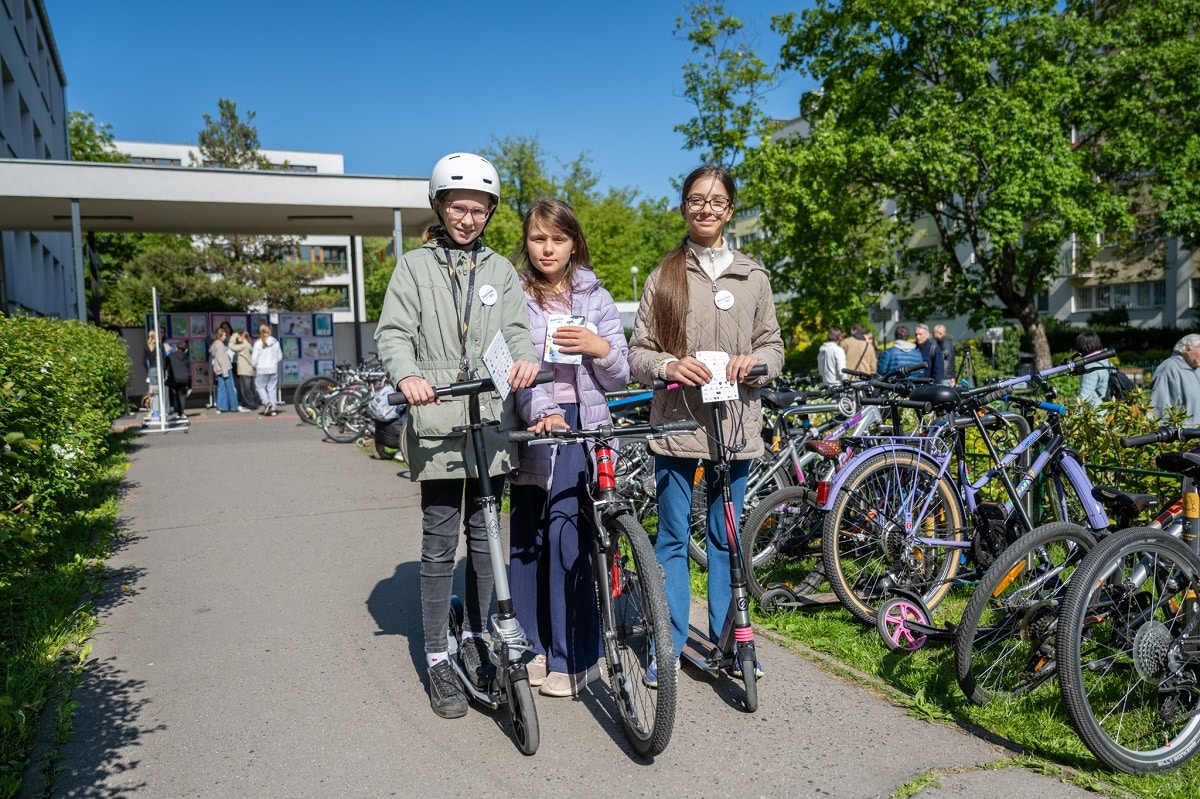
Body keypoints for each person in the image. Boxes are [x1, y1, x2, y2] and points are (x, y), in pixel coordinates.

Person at [374, 152, 540, 719]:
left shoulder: (500, 272)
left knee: (486, 542)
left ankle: (475, 639)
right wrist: (408, 375)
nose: (468, 219)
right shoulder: (414, 268)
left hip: (490, 422)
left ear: (491, 212)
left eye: (479, 210)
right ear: (440, 207)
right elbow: (394, 332)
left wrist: (525, 362)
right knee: (440, 541)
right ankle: (439, 656)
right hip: (438, 419)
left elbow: (518, 332)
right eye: (458, 207)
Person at [628, 165, 784, 686]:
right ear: (683, 207)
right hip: (677, 422)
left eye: (716, 201)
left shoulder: (753, 277)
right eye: (697, 200)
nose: (706, 209)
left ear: (730, 210)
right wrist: (668, 367)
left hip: (734, 424)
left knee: (725, 539)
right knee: (672, 537)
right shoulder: (663, 276)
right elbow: (638, 353)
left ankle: (731, 642)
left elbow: (774, 347)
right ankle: (666, 645)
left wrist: (753, 362)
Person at [508, 198, 629, 698]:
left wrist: (599, 349)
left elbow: (620, 375)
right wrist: (541, 411)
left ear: (574, 242)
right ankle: (533, 648)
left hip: (582, 423)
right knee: (526, 539)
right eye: (538, 239)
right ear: (527, 243)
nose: (547, 248)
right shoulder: (515, 296)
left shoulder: (596, 298)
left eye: (557, 239)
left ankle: (573, 654)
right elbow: (512, 369)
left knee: (568, 539)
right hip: (534, 423)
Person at [1150, 334, 1200, 424]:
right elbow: (1159, 411)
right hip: (1183, 435)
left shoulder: (1196, 369)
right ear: (1187, 349)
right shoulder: (1168, 370)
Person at [251, 324, 283, 416]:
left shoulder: (258, 343)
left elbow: (254, 358)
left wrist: (254, 366)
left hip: (261, 369)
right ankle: (273, 408)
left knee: (259, 386)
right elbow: (280, 356)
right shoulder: (275, 342)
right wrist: (274, 362)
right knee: (272, 389)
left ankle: (266, 402)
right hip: (273, 369)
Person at [143, 327, 172, 420]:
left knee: (153, 391)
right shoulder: (160, 345)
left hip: (151, 370)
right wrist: (163, 371)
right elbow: (164, 359)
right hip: (159, 369)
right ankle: (165, 411)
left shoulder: (146, 346)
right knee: (163, 390)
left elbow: (143, 360)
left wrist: (148, 370)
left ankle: (155, 412)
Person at [1075, 330, 1110, 407]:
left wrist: (1072, 416)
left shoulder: (1091, 367)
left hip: (1096, 413)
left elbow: (1084, 397)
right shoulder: (1106, 362)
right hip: (1108, 409)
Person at [209, 327, 238, 413]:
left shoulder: (215, 344)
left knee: (221, 388)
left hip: (218, 369)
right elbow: (222, 359)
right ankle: (233, 406)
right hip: (225, 368)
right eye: (224, 335)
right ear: (220, 335)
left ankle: (222, 406)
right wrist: (225, 371)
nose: (225, 336)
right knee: (230, 388)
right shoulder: (220, 345)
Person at [228, 330, 256, 411]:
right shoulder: (249, 345)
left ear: (243, 337)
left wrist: (233, 337)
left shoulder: (244, 346)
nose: (238, 338)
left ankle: (250, 405)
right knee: (249, 388)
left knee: (246, 390)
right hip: (249, 370)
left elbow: (231, 346)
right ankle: (251, 404)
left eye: (239, 337)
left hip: (244, 370)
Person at [165, 340, 192, 419]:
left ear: (176, 348)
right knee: (181, 395)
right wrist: (190, 386)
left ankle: (173, 408)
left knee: (175, 393)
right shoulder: (186, 358)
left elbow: (165, 365)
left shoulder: (171, 356)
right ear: (185, 350)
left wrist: (165, 376)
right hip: (184, 379)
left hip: (173, 379)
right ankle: (181, 413)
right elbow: (189, 372)